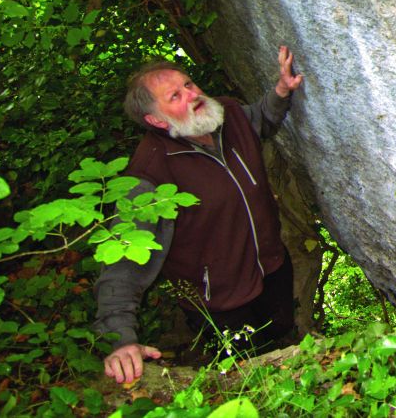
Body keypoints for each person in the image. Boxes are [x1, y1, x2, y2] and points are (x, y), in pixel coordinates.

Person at [95, 46, 304, 385]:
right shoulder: (150, 175)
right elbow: (123, 261)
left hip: (272, 269)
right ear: (156, 120)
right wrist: (120, 339)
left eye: (188, 84)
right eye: (175, 96)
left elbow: (259, 120)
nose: (192, 95)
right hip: (220, 300)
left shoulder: (226, 115)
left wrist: (281, 91)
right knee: (249, 375)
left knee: (283, 337)